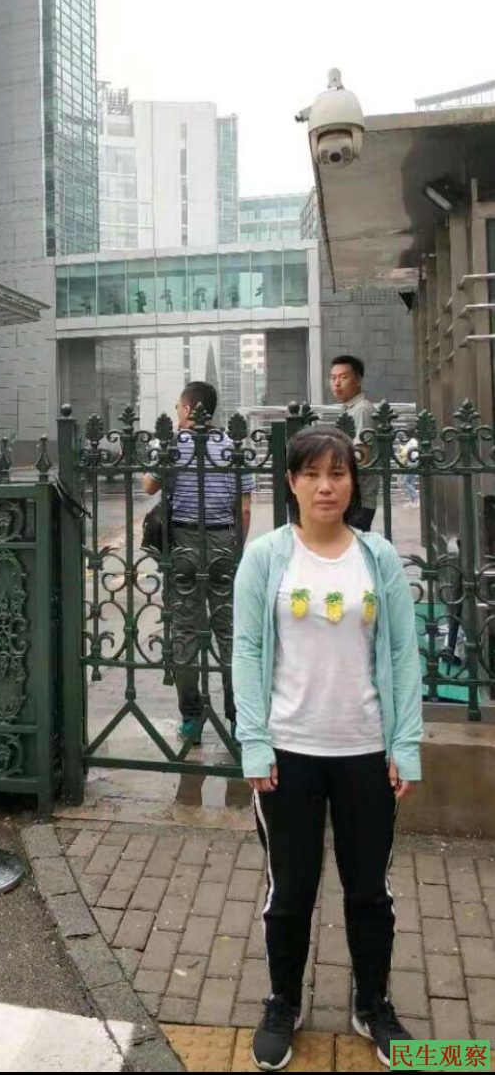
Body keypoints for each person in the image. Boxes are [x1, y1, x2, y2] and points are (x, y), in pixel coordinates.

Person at [232, 425, 422, 1072]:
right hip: (288, 754)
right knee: (290, 890)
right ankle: (283, 1001)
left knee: (369, 891)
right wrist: (254, 744)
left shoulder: (378, 558)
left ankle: (373, 1003)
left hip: (366, 751)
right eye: (312, 474)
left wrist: (405, 745)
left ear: (352, 482)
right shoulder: (266, 558)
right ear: (291, 482)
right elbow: (246, 652)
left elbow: (403, 653)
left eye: (337, 474)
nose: (325, 487)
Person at [143, 381, 255, 743]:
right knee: (229, 632)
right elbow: (245, 507)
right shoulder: (234, 446)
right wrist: (236, 549)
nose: (176, 413)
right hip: (224, 541)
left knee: (185, 632)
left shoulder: (174, 445)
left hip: (184, 543)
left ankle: (192, 720)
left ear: (189, 410)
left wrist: (164, 452)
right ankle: (238, 719)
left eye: (178, 408)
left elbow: (148, 486)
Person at [330, 354, 378, 531]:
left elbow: (361, 457)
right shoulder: (349, 410)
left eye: (343, 377)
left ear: (358, 380)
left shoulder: (362, 409)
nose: (336, 383)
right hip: (350, 497)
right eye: (333, 378)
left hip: (358, 500)